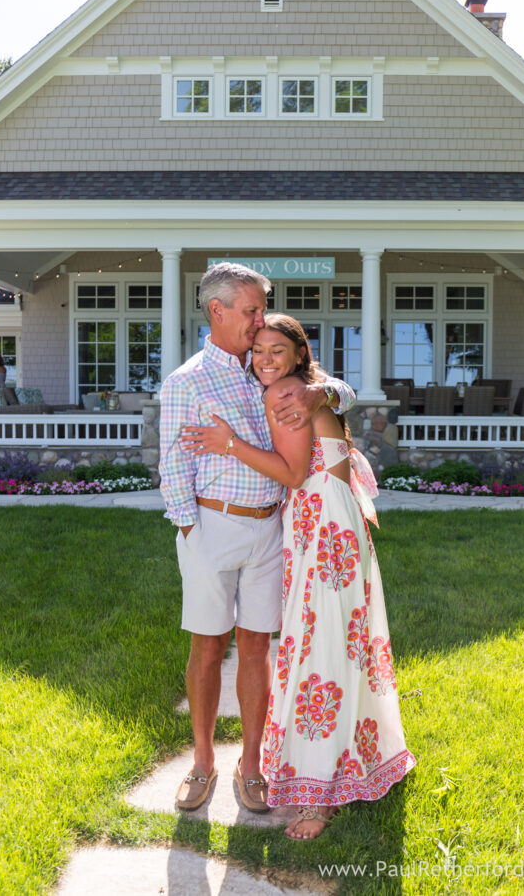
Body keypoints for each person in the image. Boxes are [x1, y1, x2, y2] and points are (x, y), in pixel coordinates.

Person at [181, 314, 416, 840]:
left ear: (297, 355)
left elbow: (290, 473)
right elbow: (333, 408)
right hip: (331, 523)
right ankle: (351, 761)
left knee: (322, 650)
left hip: (323, 528)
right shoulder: (308, 387)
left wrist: (228, 444)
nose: (265, 359)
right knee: (338, 644)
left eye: (277, 351)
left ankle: (321, 795)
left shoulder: (286, 392)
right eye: (258, 350)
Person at [159, 263, 355, 814]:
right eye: (251, 310)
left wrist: (323, 394)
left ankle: (252, 765)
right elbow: (171, 465)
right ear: (217, 310)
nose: (259, 320)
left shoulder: (265, 364)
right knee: (207, 646)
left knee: (256, 646)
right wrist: (191, 531)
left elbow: (342, 390)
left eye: (262, 310)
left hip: (272, 527)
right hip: (212, 527)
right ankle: (202, 763)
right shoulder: (187, 381)